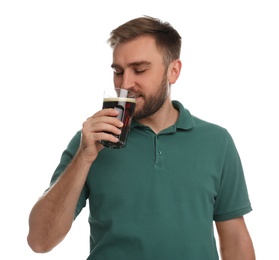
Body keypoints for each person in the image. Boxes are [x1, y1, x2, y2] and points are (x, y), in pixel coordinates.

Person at [27, 16, 255, 259]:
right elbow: (40, 241)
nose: (125, 84)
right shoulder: (91, 140)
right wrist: (83, 158)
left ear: (173, 71)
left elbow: (235, 239)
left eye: (140, 70)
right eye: (118, 71)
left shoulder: (216, 142)